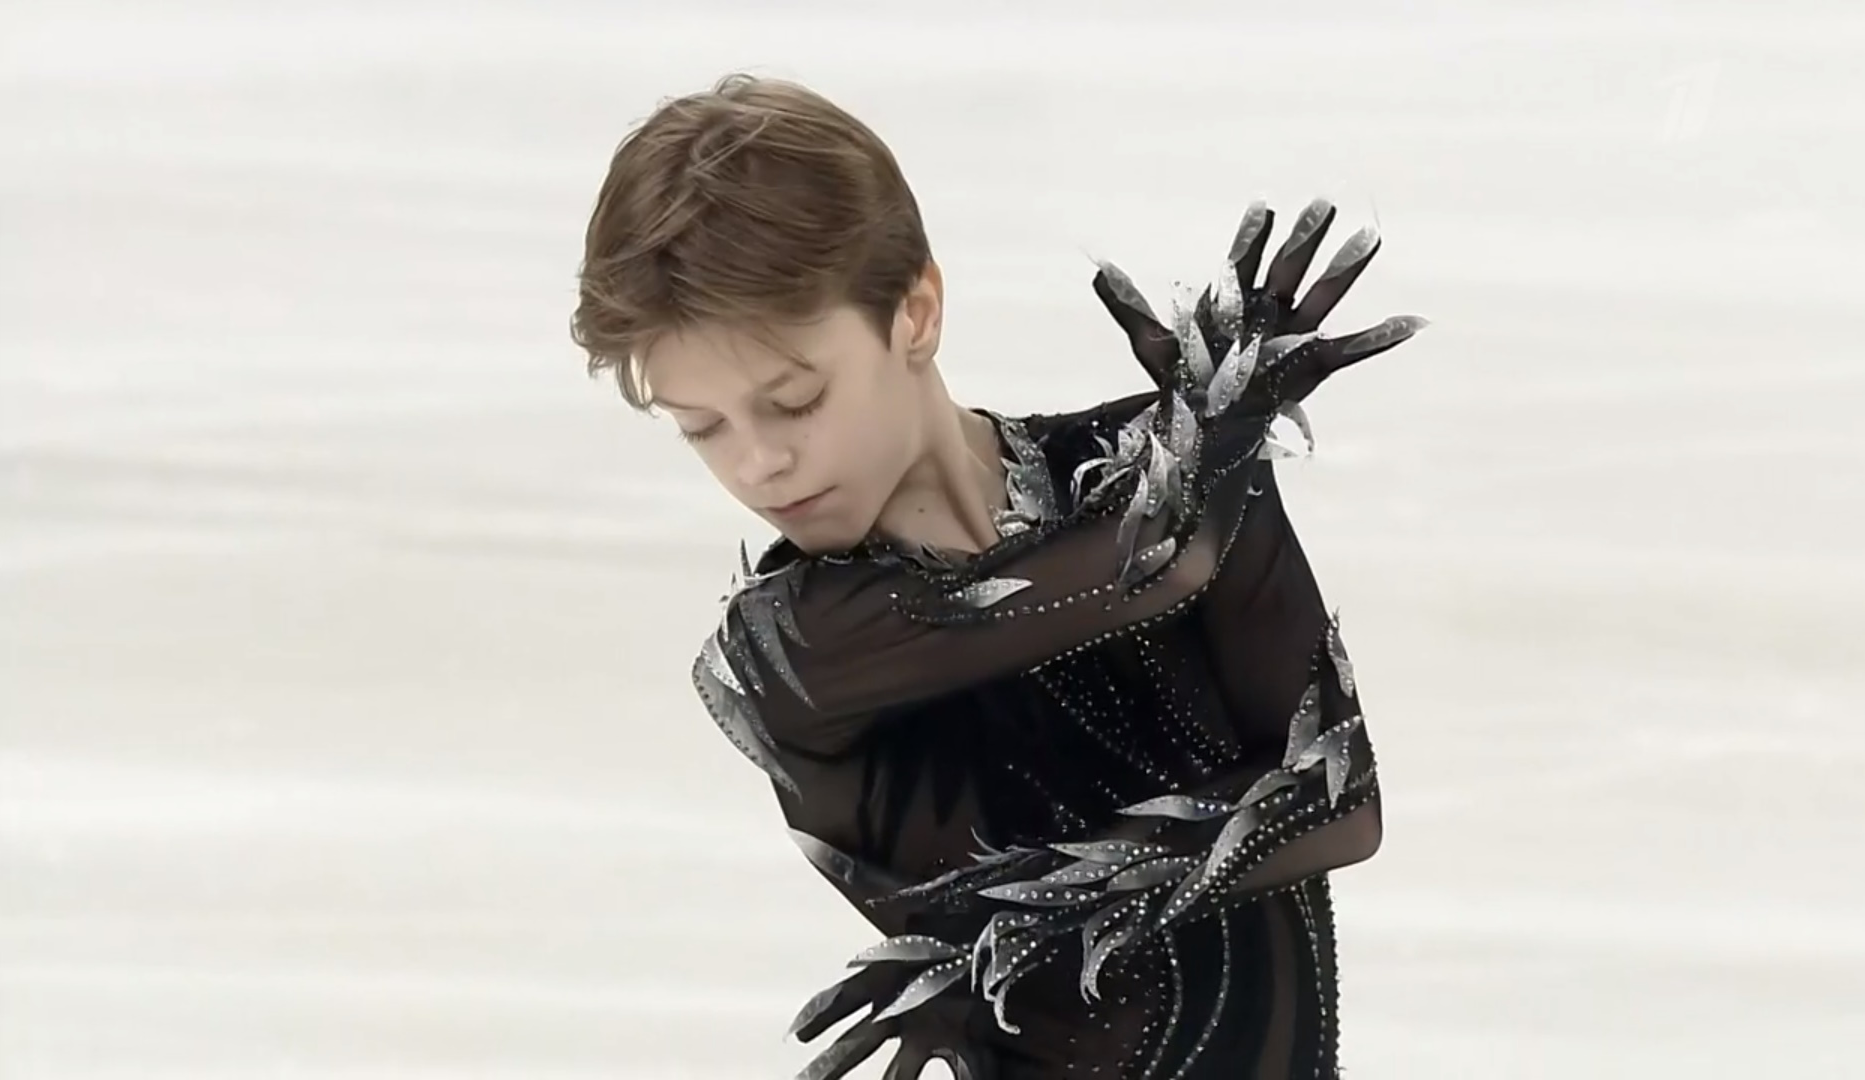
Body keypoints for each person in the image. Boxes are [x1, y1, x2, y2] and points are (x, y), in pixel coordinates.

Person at [571, 73, 1426, 1080]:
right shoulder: (789, 650)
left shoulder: (1164, 458)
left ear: (916, 311)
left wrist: (1037, 913)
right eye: (702, 428)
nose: (759, 465)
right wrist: (1210, 448)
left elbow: (1339, 799)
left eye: (794, 401)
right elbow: (1156, 562)